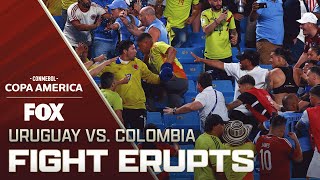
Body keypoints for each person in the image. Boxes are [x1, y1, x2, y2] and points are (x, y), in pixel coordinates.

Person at [90, 40, 160, 130]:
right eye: (133, 49)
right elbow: (90, 73)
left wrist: (162, 78)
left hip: (137, 107)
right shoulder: (111, 64)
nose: (136, 51)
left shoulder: (138, 63)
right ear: (125, 51)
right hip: (119, 107)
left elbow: (150, 77)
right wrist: (103, 62)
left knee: (138, 136)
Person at [192, 50, 269, 120]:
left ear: (248, 62)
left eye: (242, 60)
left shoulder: (265, 73)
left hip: (256, 112)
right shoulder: (237, 68)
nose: (239, 61)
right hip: (238, 111)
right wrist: (202, 60)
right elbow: (219, 64)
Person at [163, 72, 229, 131]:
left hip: (215, 129)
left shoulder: (202, 95)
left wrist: (174, 111)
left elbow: (191, 107)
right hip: (226, 126)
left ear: (199, 85)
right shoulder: (219, 93)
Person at [137, 33, 188, 107]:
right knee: (173, 103)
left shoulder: (157, 45)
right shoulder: (150, 57)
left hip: (176, 79)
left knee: (146, 85)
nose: (138, 48)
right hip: (172, 87)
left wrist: (166, 67)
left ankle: (149, 109)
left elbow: (173, 50)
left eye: (140, 45)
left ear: (146, 43)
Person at [256, 115, 303, 180]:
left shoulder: (260, 140)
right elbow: (299, 159)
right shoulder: (282, 142)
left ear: (270, 126)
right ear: (283, 128)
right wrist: (296, 140)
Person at [201, 0, 237, 80]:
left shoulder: (229, 14)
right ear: (210, 2)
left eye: (220, 0)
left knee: (226, 84)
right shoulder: (205, 14)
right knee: (210, 84)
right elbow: (206, 30)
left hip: (226, 55)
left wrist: (235, 37)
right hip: (211, 55)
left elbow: (233, 30)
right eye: (215, 1)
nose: (218, 3)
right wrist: (218, 20)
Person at [296, 85, 320, 178]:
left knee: (310, 177)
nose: (309, 98)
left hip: (319, 150)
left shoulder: (309, 112)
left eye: (310, 96)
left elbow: (299, 127)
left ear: (313, 97)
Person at [249, 0, 284, 64]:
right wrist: (254, 11)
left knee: (277, 70)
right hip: (266, 42)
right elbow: (252, 19)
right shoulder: (261, 2)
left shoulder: (279, 1)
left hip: (279, 42)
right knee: (267, 69)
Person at [194, 114, 227, 180]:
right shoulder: (214, 141)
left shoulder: (200, 138)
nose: (224, 127)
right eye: (222, 124)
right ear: (215, 126)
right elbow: (218, 170)